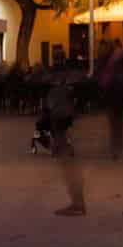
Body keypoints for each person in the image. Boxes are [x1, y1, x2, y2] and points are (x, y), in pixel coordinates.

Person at [47, 75, 85, 216]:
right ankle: (77, 203)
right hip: (67, 120)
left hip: (63, 120)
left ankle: (78, 204)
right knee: (69, 163)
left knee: (69, 164)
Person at [97, 42, 123, 160]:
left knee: (116, 125)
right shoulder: (120, 64)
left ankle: (116, 150)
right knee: (116, 125)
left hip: (113, 98)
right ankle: (117, 149)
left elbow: (102, 81)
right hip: (117, 98)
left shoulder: (107, 63)